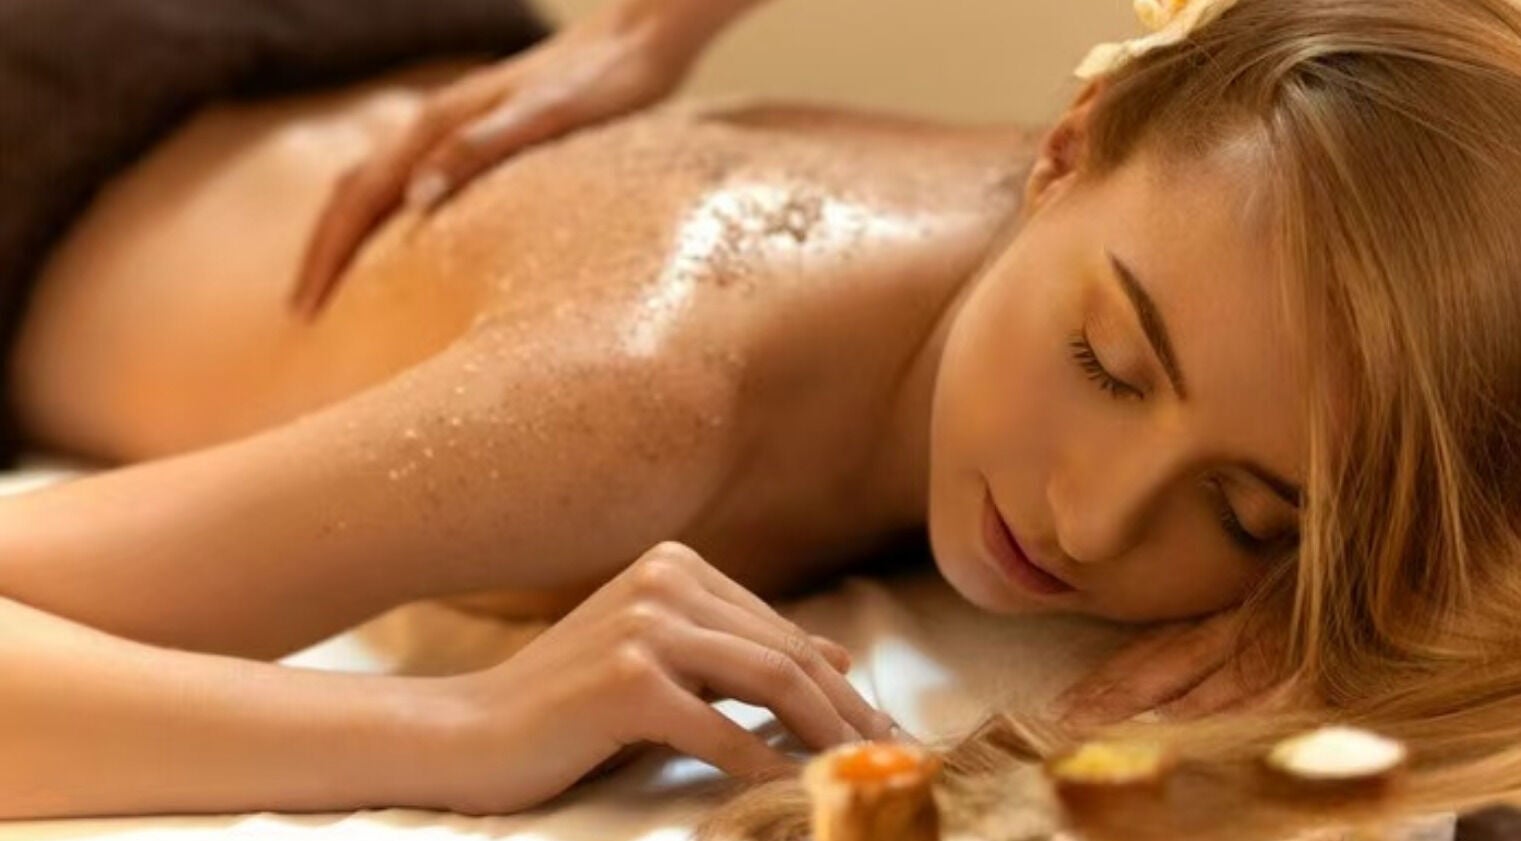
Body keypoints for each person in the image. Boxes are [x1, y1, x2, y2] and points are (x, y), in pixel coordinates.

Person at [0, 0, 1518, 835]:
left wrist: (1348, 597)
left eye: (1247, 512)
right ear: (1067, 146)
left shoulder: (1206, 209)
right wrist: (460, 727)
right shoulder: (632, 402)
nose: (1094, 520)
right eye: (1109, 364)